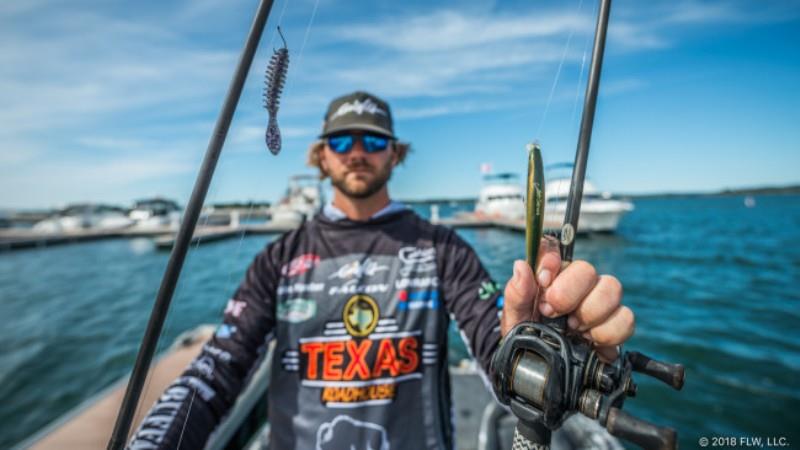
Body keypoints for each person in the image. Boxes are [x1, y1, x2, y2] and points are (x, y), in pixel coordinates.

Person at [129, 91, 633, 449]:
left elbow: (494, 345)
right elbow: (215, 371)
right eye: (342, 141)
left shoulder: (443, 248)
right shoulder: (277, 259)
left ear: (395, 154)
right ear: (321, 157)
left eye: (372, 142)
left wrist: (542, 345)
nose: (357, 153)